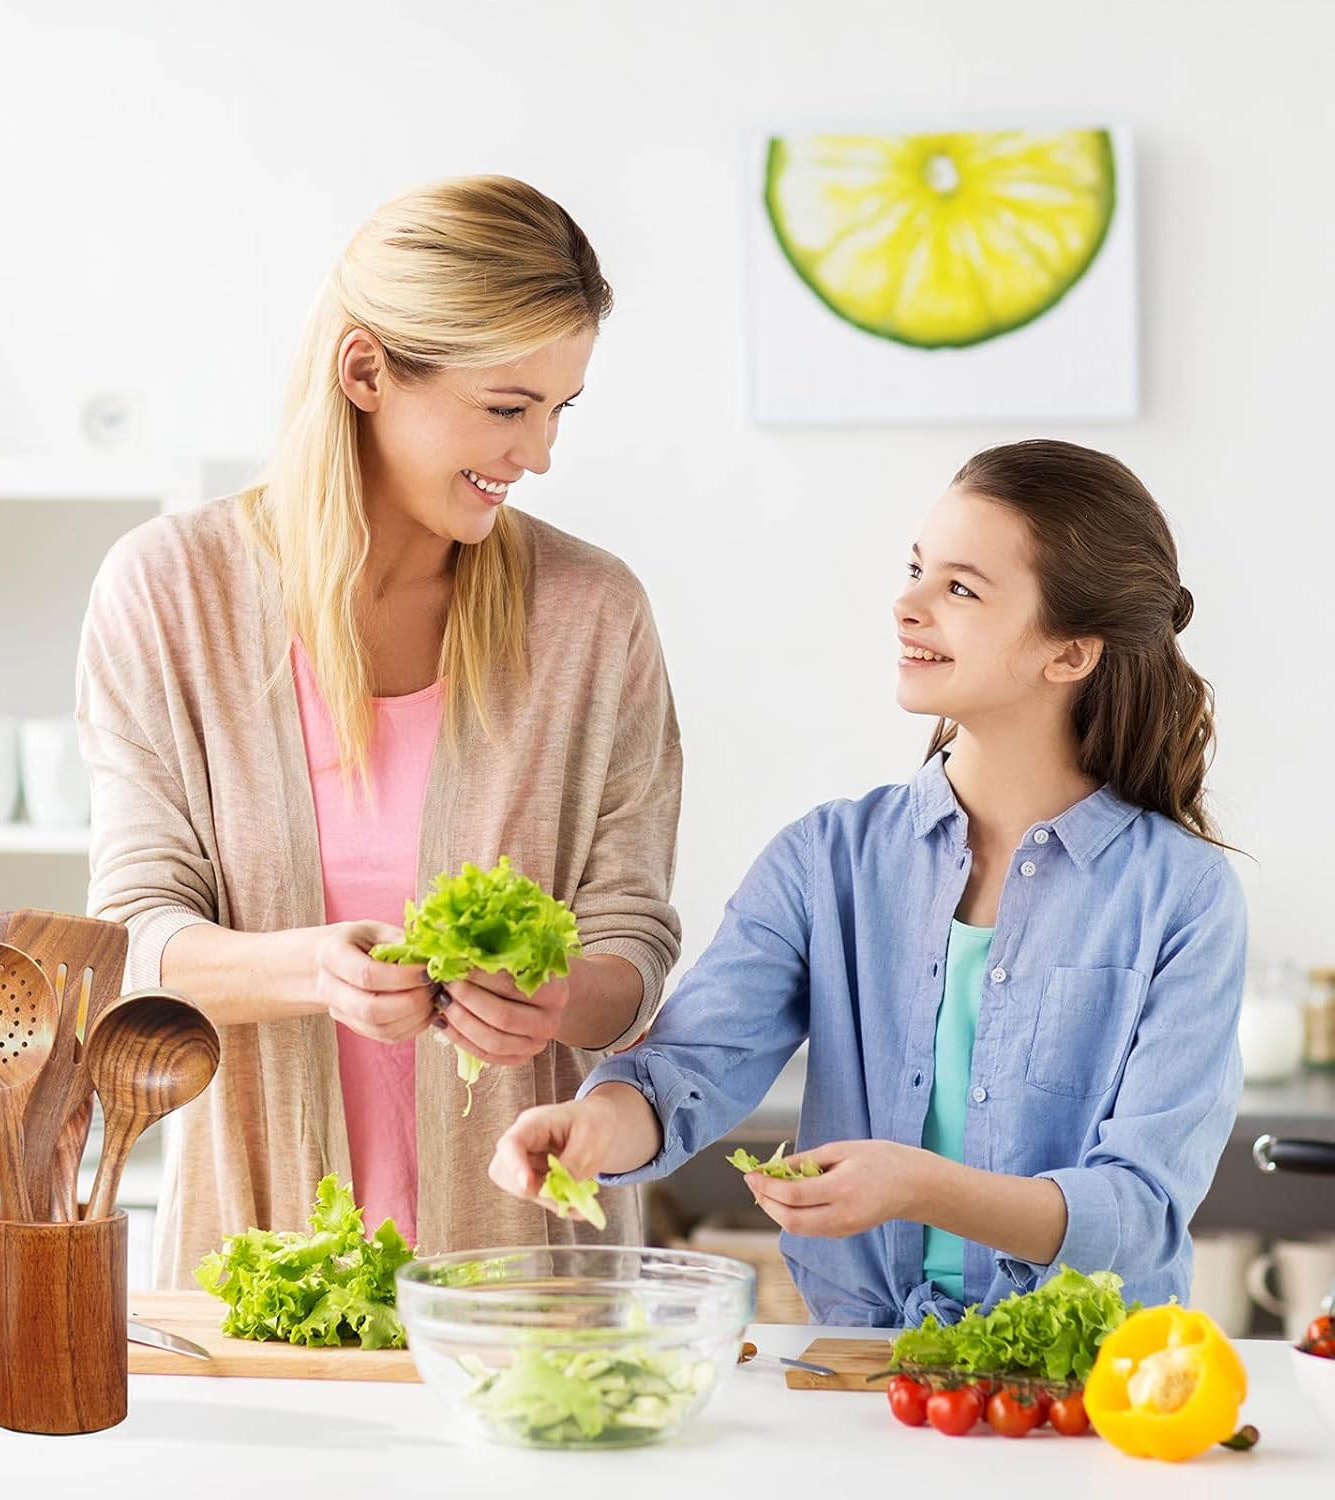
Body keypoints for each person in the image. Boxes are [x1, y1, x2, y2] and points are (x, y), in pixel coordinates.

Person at [77, 176, 682, 1287]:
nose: (539, 452)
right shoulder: (170, 594)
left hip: (522, 1278)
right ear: (365, 373)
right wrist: (315, 969)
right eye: (508, 408)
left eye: (560, 409)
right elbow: (131, 943)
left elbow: (633, 943)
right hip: (253, 1267)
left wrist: (556, 999)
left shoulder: (592, 614)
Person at [490, 439, 1247, 1328]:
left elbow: (1143, 1208)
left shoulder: (1181, 894)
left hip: (1096, 1384)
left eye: (960, 589)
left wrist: (921, 1188)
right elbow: (685, 1069)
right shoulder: (827, 859)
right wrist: (598, 1127)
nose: (907, 604)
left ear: (1070, 653)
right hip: (861, 1368)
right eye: (918, 569)